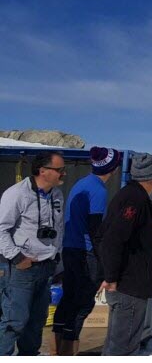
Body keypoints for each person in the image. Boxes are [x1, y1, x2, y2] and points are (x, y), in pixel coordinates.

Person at [51, 147, 122, 355]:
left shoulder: (82, 183)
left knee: (67, 301)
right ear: (114, 168)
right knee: (81, 305)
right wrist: (106, 263)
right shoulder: (99, 190)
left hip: (71, 249)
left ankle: (55, 351)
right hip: (86, 253)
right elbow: (95, 230)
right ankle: (68, 352)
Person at [0, 151, 66, 356]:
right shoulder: (17, 193)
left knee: (36, 322)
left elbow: (59, 229)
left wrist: (57, 261)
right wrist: (17, 258)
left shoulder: (57, 194)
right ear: (43, 171)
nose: (64, 174)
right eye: (59, 170)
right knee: (15, 321)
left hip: (46, 268)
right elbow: (1, 228)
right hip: (22, 269)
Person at [98, 153, 152, 356]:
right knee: (123, 348)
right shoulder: (134, 200)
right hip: (129, 287)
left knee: (116, 344)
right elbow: (112, 239)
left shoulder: (133, 195)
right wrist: (111, 277)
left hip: (128, 284)